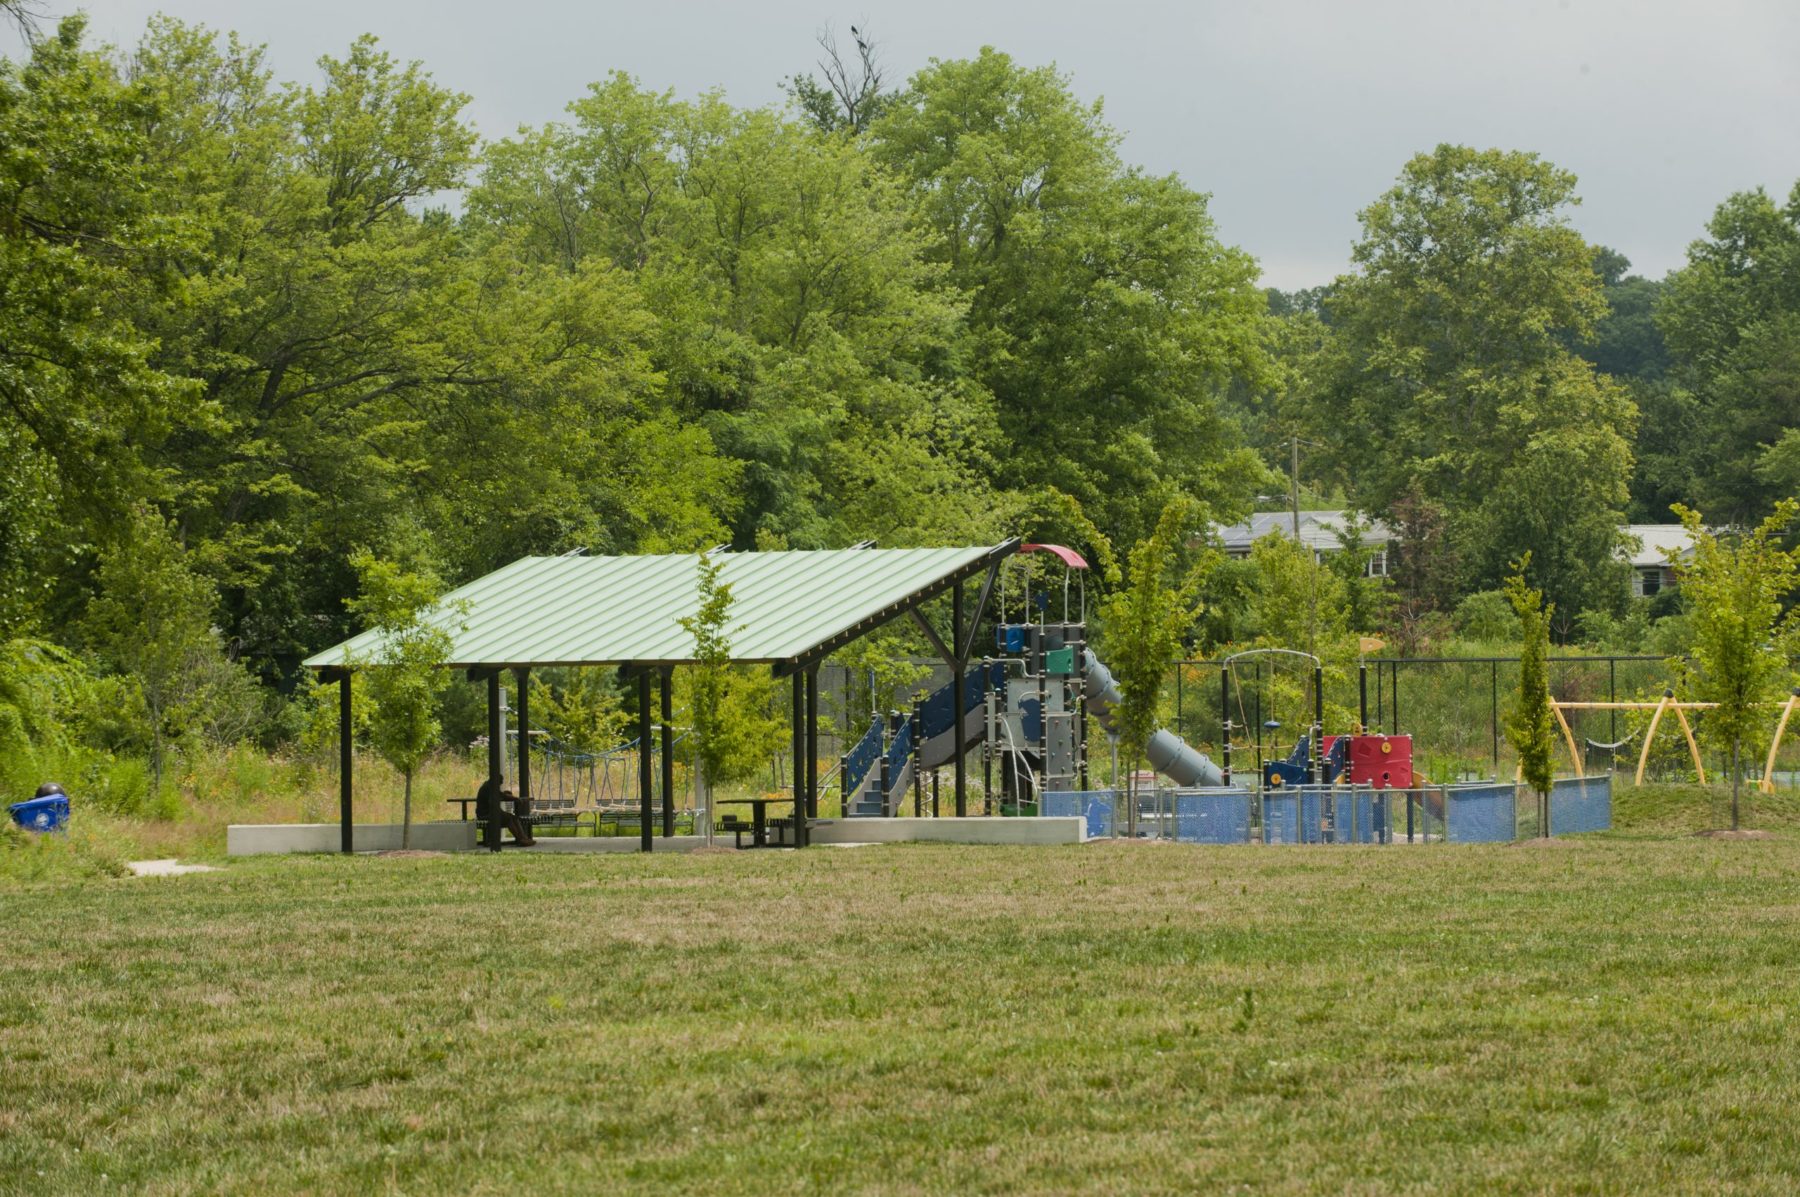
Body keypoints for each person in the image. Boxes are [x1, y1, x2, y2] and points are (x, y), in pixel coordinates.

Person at [475, 775, 534, 847]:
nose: (501, 783)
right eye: (500, 781)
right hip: (485, 814)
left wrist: (509, 796)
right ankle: (520, 839)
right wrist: (515, 798)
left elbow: (501, 795)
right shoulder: (488, 787)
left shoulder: (490, 786)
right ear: (496, 780)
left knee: (514, 817)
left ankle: (523, 837)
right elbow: (502, 796)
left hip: (492, 813)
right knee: (508, 819)